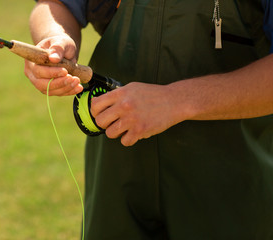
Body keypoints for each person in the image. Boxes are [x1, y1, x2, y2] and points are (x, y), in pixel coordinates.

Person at [25, 0, 273, 239]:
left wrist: (176, 100)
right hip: (117, 165)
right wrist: (54, 37)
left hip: (232, 175)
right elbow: (57, 4)